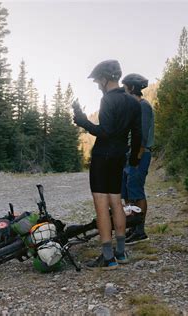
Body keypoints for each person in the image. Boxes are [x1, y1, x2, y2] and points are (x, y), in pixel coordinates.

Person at [72, 60, 141, 269]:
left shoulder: (108, 101)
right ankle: (121, 253)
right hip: (120, 155)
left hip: (103, 156)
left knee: (101, 204)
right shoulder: (133, 102)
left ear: (104, 78)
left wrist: (83, 121)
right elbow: (137, 134)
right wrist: (134, 158)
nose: (97, 85)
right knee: (116, 201)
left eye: (97, 81)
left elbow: (105, 132)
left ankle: (108, 257)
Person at [121, 73, 154, 245]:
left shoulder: (143, 106)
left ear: (132, 88)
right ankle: (131, 225)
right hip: (128, 154)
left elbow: (142, 133)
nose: (123, 90)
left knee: (136, 190)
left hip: (139, 153)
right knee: (126, 191)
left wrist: (136, 157)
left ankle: (140, 231)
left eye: (124, 87)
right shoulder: (133, 107)